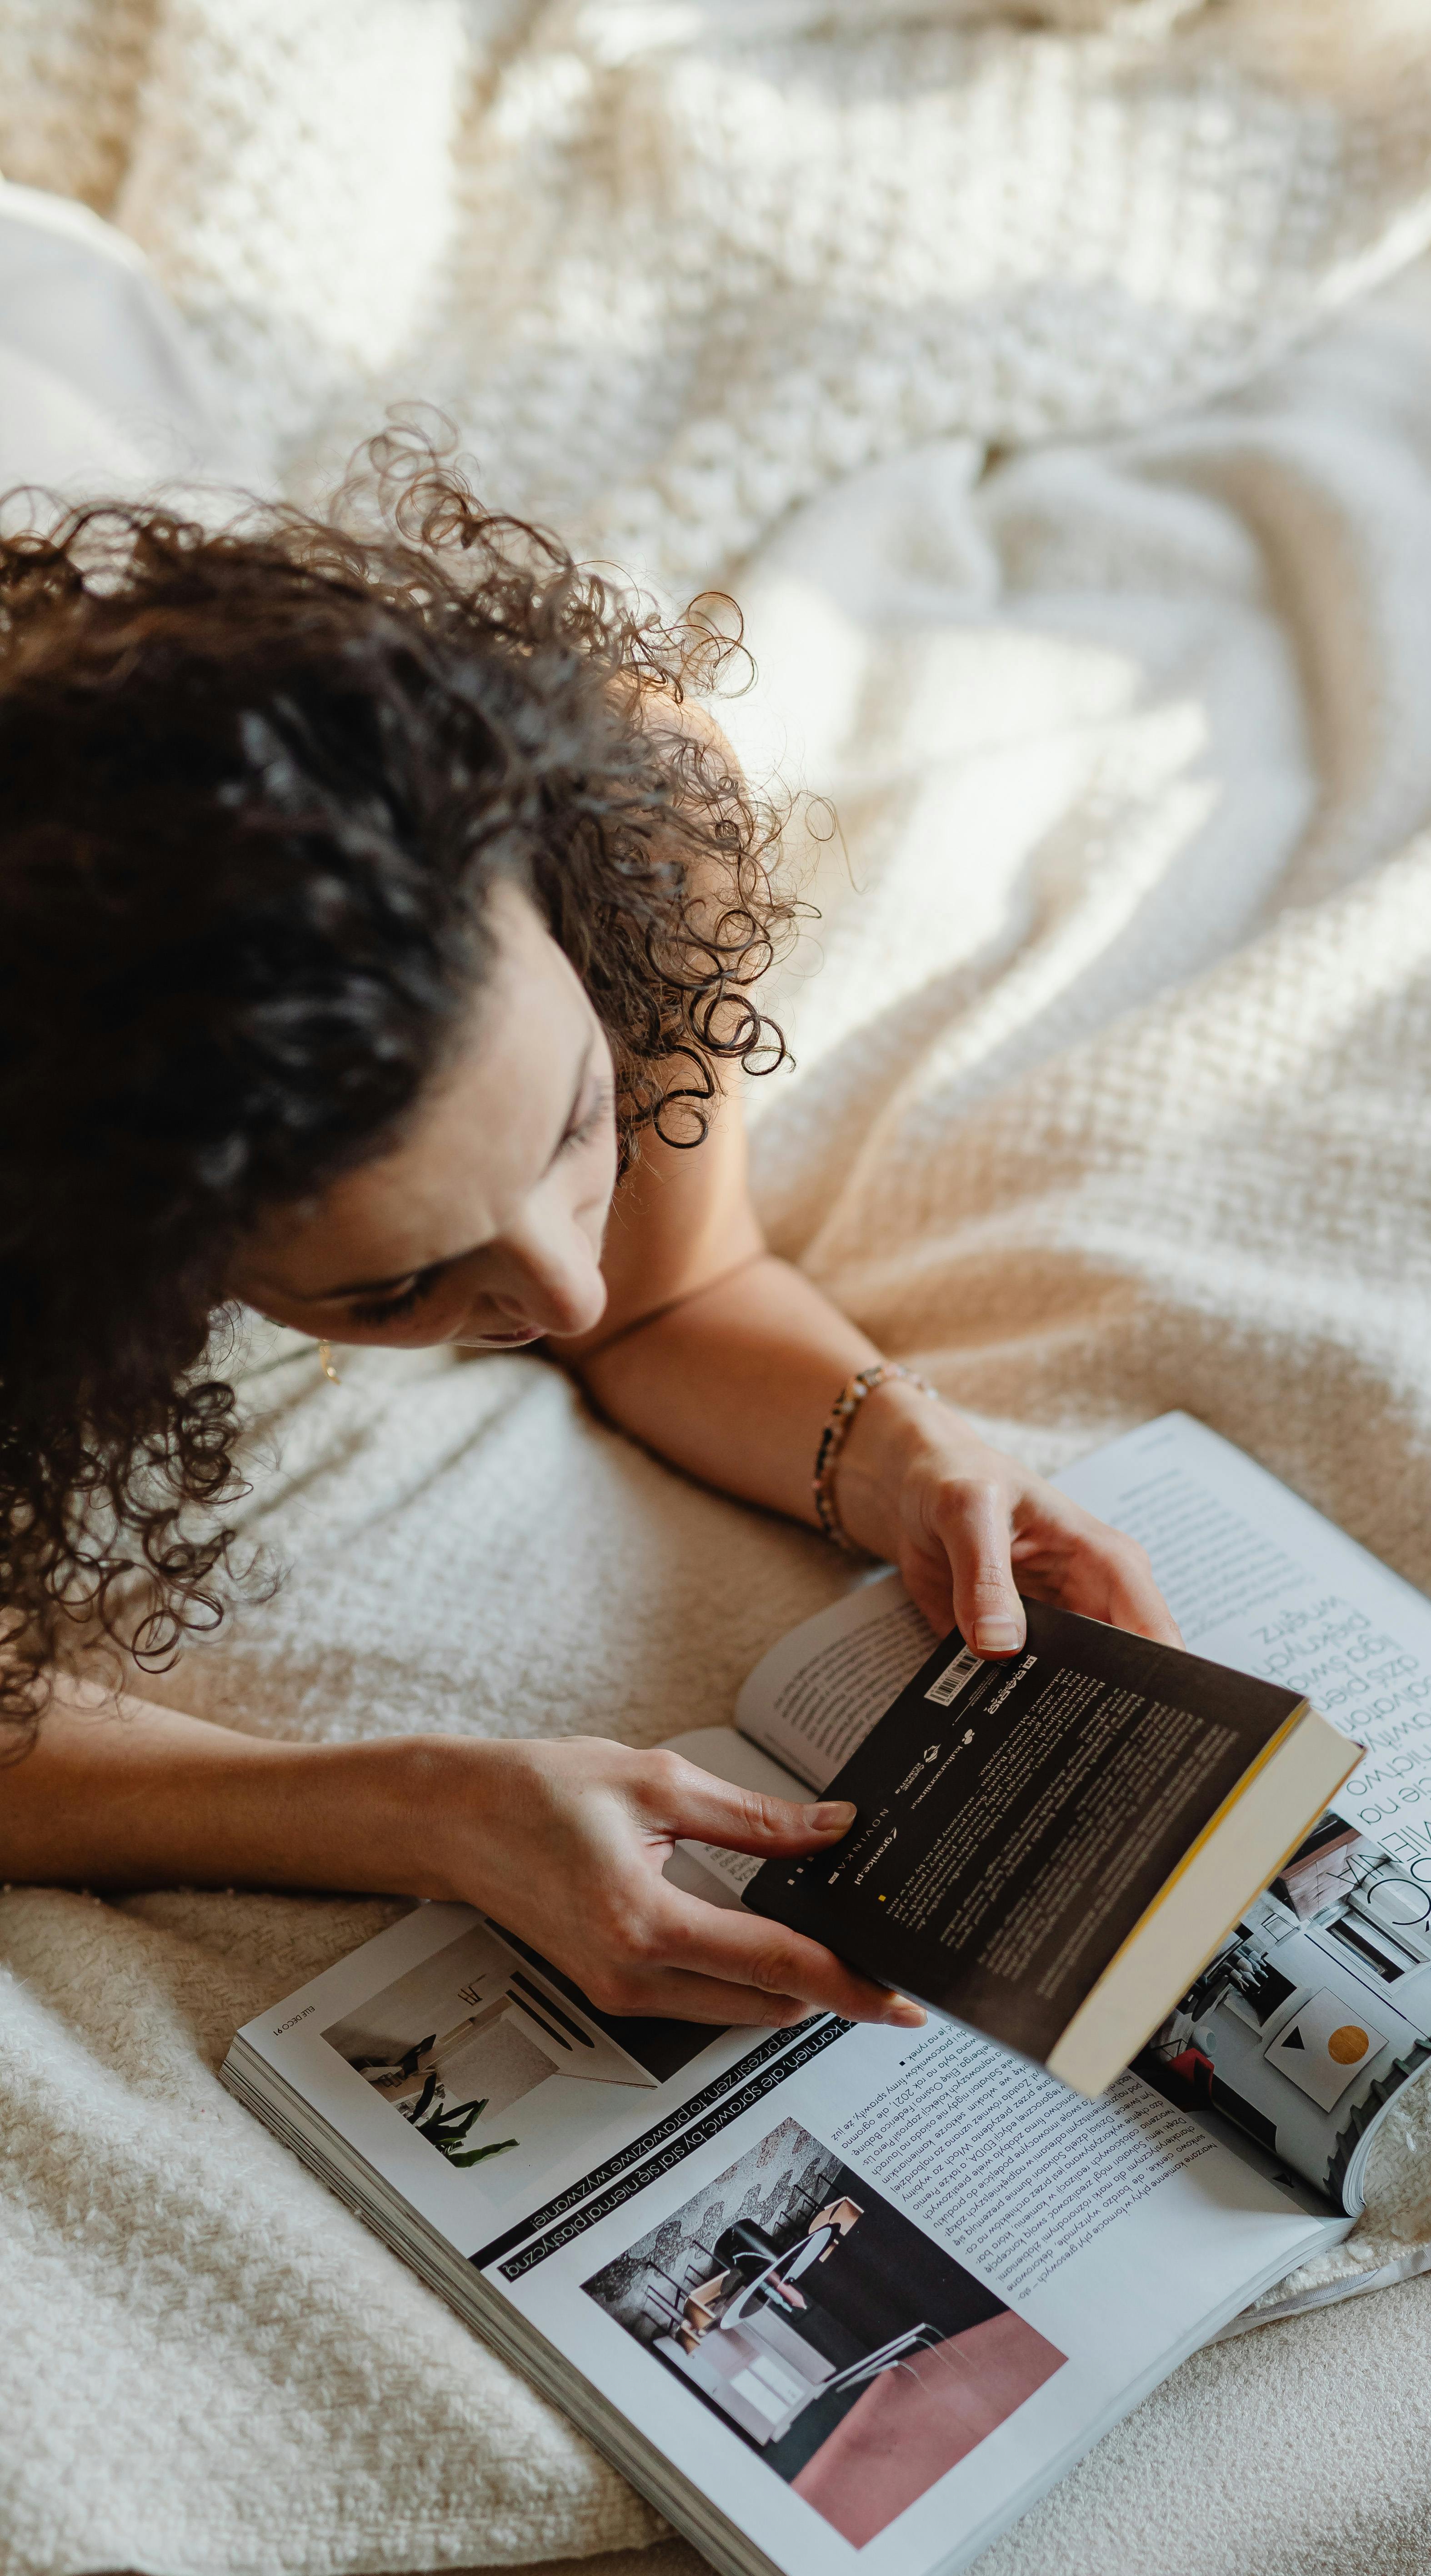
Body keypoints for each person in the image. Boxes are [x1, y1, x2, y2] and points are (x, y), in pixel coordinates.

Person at [0, 444, 1175, 2031]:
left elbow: (672, 1294)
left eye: (574, 1127)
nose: (568, 1286)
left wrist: (890, 1444)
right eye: (398, 1284)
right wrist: (421, 1812)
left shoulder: (619, 798)